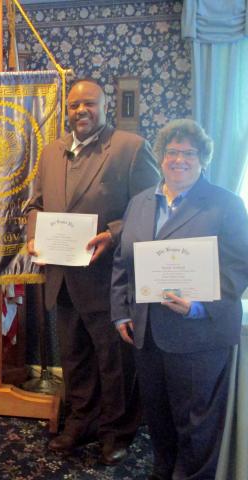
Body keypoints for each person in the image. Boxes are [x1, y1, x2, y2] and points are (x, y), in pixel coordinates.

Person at [25, 79, 160, 464]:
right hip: (63, 278)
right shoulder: (51, 152)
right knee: (75, 359)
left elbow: (149, 206)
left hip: (107, 279)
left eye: (88, 104)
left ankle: (117, 431)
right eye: (73, 106)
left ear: (104, 108)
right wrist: (34, 236)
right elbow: (34, 204)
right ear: (65, 111)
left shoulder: (130, 149)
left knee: (114, 362)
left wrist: (113, 234)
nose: (80, 111)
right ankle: (81, 421)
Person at [111, 119, 248, 479]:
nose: (179, 159)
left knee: (197, 426)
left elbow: (239, 268)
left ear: (203, 159)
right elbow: (122, 261)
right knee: (159, 420)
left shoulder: (226, 204)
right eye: (172, 152)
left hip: (199, 335)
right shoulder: (141, 202)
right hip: (147, 334)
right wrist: (120, 313)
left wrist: (199, 305)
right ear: (161, 157)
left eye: (189, 153)